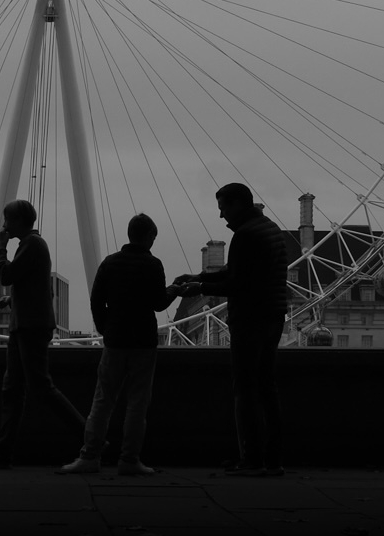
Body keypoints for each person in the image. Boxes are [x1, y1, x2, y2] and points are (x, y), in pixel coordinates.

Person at [172, 183, 289, 476]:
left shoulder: (246, 235)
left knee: (246, 390)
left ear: (239, 204)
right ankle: (273, 459)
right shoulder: (269, 228)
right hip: (274, 315)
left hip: (251, 318)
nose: (222, 216)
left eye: (224, 208)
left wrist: (199, 286)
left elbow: (237, 284)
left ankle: (251, 459)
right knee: (267, 388)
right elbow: (240, 271)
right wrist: (200, 276)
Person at [0, 199, 86, 469]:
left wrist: (0, 247)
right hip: (26, 326)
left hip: (29, 328)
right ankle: (3, 450)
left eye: (7, 220)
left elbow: (6, 275)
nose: (4, 225)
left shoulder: (31, 245)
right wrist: (13, 300)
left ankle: (93, 442)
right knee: (15, 389)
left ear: (18, 221)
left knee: (38, 388)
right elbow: (36, 285)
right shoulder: (34, 245)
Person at [59, 214, 182, 478]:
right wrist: (175, 289)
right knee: (137, 404)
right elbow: (159, 303)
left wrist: (105, 327)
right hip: (143, 342)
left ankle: (90, 456)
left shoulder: (110, 263)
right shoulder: (153, 264)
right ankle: (129, 459)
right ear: (149, 236)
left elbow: (96, 300)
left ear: (129, 234)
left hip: (116, 339)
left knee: (102, 400)